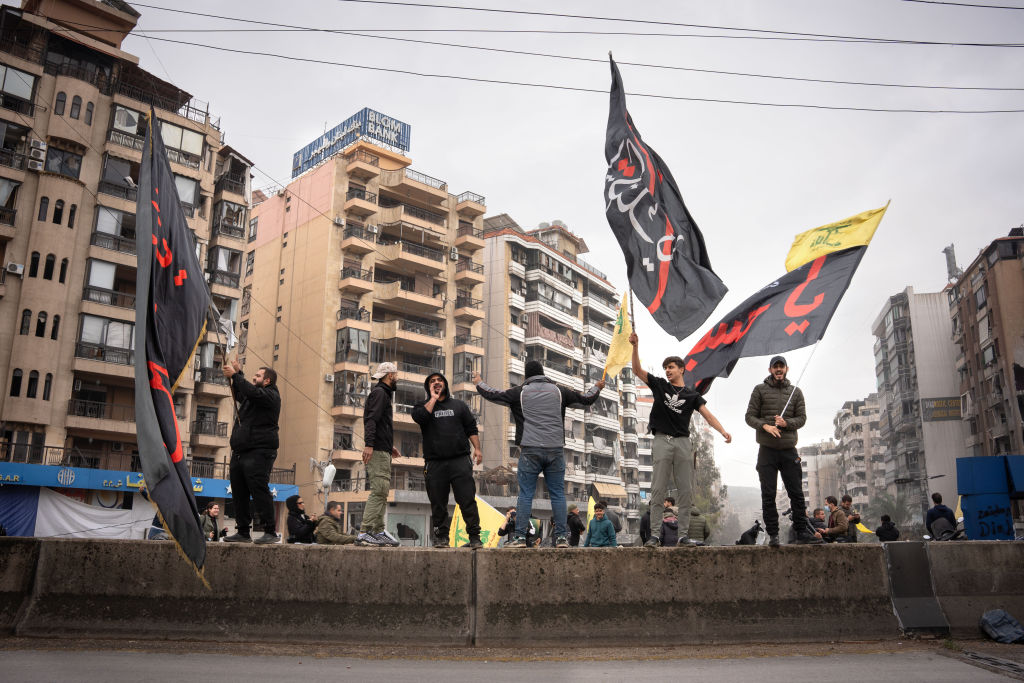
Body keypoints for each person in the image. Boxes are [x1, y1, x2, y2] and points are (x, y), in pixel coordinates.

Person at [474, 361, 604, 548]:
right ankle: (560, 538)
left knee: (526, 494)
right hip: (555, 450)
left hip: (530, 450)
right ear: (543, 374)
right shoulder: (559, 391)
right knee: (558, 494)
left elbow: (493, 394)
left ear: (526, 377)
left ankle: (519, 537)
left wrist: (479, 382)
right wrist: (596, 387)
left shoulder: (519, 392)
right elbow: (585, 399)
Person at [630, 332, 732, 548]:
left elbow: (707, 415)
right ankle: (655, 536)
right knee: (657, 489)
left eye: (671, 367)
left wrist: (723, 431)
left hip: (683, 443)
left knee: (686, 491)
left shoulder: (691, 395)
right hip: (661, 440)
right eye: (665, 367)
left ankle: (683, 536)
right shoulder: (660, 385)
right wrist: (635, 346)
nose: (667, 370)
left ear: (681, 369)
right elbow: (637, 370)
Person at [744, 355, 820, 547]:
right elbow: (749, 417)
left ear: (786, 369)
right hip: (767, 450)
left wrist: (786, 423)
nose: (778, 369)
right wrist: (765, 427)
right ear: (770, 370)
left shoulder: (796, 392)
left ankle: (802, 532)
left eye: (781, 366)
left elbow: (802, 418)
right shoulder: (759, 390)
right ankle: (773, 535)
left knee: (796, 494)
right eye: (775, 367)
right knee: (768, 495)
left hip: (789, 450)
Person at [412, 372, 483, 549]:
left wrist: (478, 449)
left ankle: (474, 537)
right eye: (432, 382)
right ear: (428, 387)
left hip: (460, 460)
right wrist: (433, 398)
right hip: (434, 463)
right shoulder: (422, 406)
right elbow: (420, 418)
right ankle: (442, 537)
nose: (437, 383)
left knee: (467, 500)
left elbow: (471, 428)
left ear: (445, 384)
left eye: (439, 380)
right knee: (438, 503)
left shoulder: (459, 406)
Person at [223, 361, 281, 544]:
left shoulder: (271, 396)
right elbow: (242, 393)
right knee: (238, 492)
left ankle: (270, 531)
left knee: (259, 490)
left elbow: (252, 392)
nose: (254, 378)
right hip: (241, 450)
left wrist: (235, 376)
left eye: (257, 376)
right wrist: (237, 375)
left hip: (259, 451)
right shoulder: (254, 396)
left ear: (267, 381)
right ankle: (242, 531)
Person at [356, 361, 402, 547]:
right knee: (379, 490)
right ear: (390, 375)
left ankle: (377, 531)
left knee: (382, 491)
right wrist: (369, 445)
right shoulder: (381, 393)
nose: (397, 378)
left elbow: (379, 422)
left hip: (382, 448)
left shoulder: (382, 393)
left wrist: (388, 445)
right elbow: (371, 420)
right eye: (396, 375)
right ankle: (366, 531)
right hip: (377, 450)